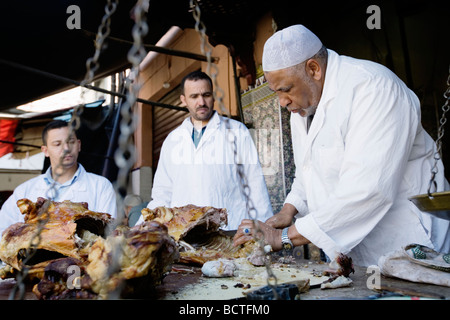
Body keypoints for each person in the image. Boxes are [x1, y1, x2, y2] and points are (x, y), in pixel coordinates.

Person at [233, 24, 450, 267]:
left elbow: (367, 191)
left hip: (409, 244)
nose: (282, 102)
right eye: (276, 92)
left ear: (313, 69)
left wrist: (282, 238)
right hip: (354, 256)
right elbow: (309, 171)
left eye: (286, 90)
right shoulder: (302, 107)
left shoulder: (373, 89)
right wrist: (289, 210)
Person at [136, 70, 273, 230]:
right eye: (194, 96)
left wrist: (266, 231)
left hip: (230, 231)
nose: (201, 102)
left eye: (206, 95)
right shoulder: (172, 140)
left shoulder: (236, 131)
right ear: (184, 100)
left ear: (213, 96)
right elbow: (162, 195)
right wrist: (138, 228)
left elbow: (255, 184)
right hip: (185, 235)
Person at [0, 120, 117, 235]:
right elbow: (3, 229)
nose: (66, 148)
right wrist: (13, 231)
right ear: (45, 151)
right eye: (57, 144)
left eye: (71, 142)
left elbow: (108, 232)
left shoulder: (101, 186)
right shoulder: (24, 191)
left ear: (79, 145)